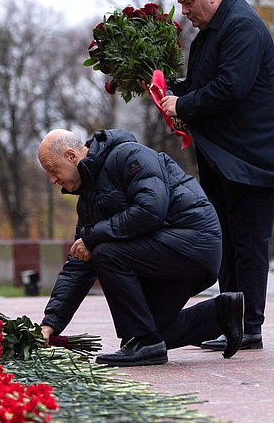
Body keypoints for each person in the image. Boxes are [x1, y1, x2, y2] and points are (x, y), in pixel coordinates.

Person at [161, 0, 274, 351]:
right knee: (227, 240)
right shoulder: (211, 31)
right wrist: (163, 87)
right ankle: (231, 323)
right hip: (226, 156)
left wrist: (182, 105)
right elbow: (199, 86)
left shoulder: (242, 25)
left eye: (189, 3)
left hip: (256, 158)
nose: (185, 12)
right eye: (181, 4)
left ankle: (250, 327)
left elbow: (229, 88)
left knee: (250, 242)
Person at [37, 128, 243, 366]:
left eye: (53, 171)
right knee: (149, 329)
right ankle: (220, 314)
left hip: (194, 241)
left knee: (106, 254)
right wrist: (50, 324)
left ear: (71, 156)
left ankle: (146, 343)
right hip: (172, 251)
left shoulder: (128, 156)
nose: (53, 180)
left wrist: (93, 237)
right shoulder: (89, 200)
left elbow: (151, 209)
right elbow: (79, 263)